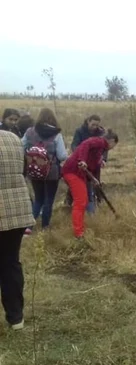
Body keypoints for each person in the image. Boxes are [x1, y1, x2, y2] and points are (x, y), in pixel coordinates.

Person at [0, 129, 35, 331]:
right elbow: (24, 169)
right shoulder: (12, 138)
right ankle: (16, 319)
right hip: (17, 210)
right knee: (10, 262)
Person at [62, 130, 119, 239]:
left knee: (83, 201)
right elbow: (85, 144)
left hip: (79, 174)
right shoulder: (99, 141)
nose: (112, 148)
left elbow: (92, 167)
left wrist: (95, 179)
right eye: (114, 145)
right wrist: (82, 160)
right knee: (80, 202)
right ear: (111, 141)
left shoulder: (100, 150)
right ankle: (79, 234)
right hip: (73, 172)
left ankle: (80, 229)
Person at [21, 108, 68, 232]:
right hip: (51, 172)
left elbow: (21, 146)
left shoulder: (30, 132)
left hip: (34, 170)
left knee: (38, 199)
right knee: (49, 200)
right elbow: (62, 156)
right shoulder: (56, 134)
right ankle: (45, 227)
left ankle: (28, 227)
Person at [67, 115, 106, 212]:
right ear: (88, 121)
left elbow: (104, 147)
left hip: (94, 163)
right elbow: (75, 145)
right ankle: (70, 201)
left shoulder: (101, 133)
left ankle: (97, 201)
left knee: (96, 182)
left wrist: (104, 159)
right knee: (80, 183)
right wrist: (79, 158)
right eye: (93, 124)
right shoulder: (80, 131)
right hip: (82, 162)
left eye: (97, 125)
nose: (94, 127)